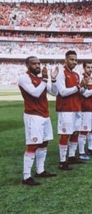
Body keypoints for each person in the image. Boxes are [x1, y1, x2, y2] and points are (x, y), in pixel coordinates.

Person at [18, 56, 59, 185]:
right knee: (33, 144)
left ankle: (40, 170)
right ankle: (26, 176)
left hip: (44, 115)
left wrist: (53, 79)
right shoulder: (24, 78)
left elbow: (55, 92)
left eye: (39, 64)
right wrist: (45, 80)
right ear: (27, 65)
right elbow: (34, 93)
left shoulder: (41, 79)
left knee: (44, 142)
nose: (38, 66)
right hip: (33, 115)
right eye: (34, 64)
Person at [55, 50, 82, 170]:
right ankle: (62, 161)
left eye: (76, 60)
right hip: (65, 109)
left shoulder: (76, 75)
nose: (74, 62)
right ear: (65, 60)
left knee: (76, 132)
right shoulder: (61, 73)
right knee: (65, 134)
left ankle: (71, 156)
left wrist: (83, 88)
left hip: (76, 107)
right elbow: (62, 92)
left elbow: (78, 91)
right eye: (71, 59)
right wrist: (77, 87)